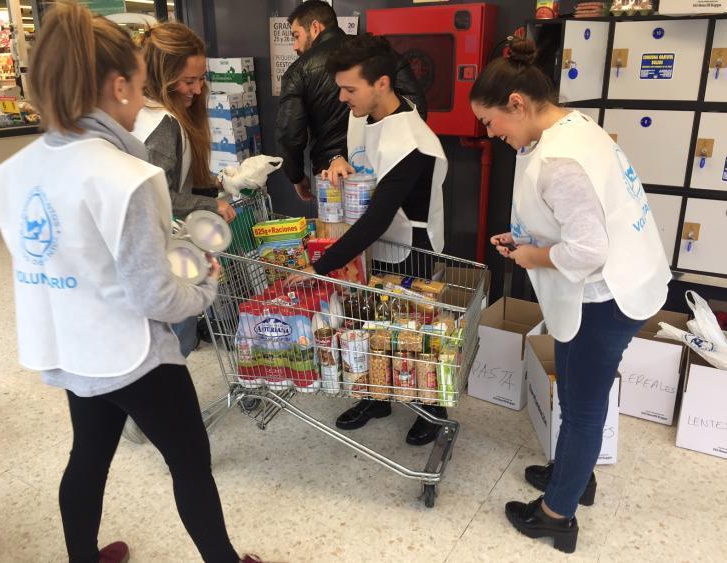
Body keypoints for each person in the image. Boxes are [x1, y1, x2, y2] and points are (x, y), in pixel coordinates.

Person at [0, 4, 262, 562]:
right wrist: (204, 283)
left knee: (88, 455)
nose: (141, 102)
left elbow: (59, 265)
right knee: (189, 461)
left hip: (70, 346)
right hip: (132, 353)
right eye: (138, 87)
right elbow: (155, 295)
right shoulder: (128, 177)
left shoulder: (7, 174)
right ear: (117, 85)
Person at [469, 39, 671, 553]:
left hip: (607, 296)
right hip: (623, 278)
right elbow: (577, 218)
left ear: (516, 102)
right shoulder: (571, 126)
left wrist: (532, 257)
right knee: (581, 391)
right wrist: (529, 241)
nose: (490, 135)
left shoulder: (561, 160)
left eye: (492, 122)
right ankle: (575, 476)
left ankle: (557, 515)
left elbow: (588, 251)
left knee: (581, 405)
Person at [287, 34, 448, 446]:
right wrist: (337, 159)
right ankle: (377, 396)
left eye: (349, 89)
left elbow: (377, 219)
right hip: (368, 242)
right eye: (340, 87)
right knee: (368, 323)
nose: (341, 98)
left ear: (382, 84)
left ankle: (432, 410)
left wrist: (318, 267)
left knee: (410, 332)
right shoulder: (364, 113)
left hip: (408, 245)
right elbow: (355, 153)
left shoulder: (412, 142)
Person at [133, 22, 236, 357]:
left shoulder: (142, 115)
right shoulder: (164, 124)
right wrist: (209, 207)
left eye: (201, 78)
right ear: (164, 76)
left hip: (146, 247)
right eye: (189, 81)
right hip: (162, 247)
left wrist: (213, 190)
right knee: (177, 338)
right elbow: (159, 193)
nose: (197, 88)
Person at [276, 0, 427, 202]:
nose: (294, 46)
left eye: (296, 36)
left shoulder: (298, 71)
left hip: (331, 175)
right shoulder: (378, 55)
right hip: (380, 168)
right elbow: (417, 108)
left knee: (337, 230)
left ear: (315, 27)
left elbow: (289, 134)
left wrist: (296, 176)